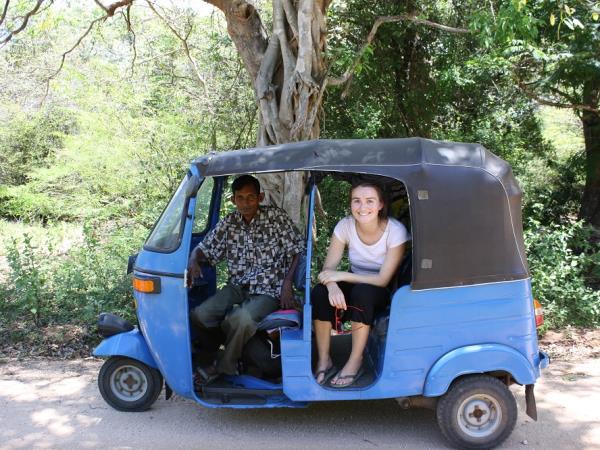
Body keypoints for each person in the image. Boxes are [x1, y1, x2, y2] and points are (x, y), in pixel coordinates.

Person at [187, 175, 304, 382]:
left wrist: (287, 284)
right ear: (233, 200)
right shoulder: (229, 222)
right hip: (237, 286)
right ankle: (226, 350)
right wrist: (193, 259)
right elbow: (205, 247)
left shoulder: (276, 217)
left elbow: (297, 250)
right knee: (200, 315)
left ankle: (224, 366)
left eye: (251, 197)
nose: (246, 203)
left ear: (260, 197)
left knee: (241, 319)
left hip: (269, 289)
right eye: (240, 198)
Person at [312, 181, 409, 388]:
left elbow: (382, 280)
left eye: (369, 201)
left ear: (381, 204)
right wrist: (332, 286)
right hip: (355, 282)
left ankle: (355, 361)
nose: (362, 207)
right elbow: (327, 271)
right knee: (320, 292)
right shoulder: (345, 226)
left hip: (380, 290)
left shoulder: (395, 231)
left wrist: (341, 276)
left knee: (362, 293)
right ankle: (324, 360)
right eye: (356, 201)